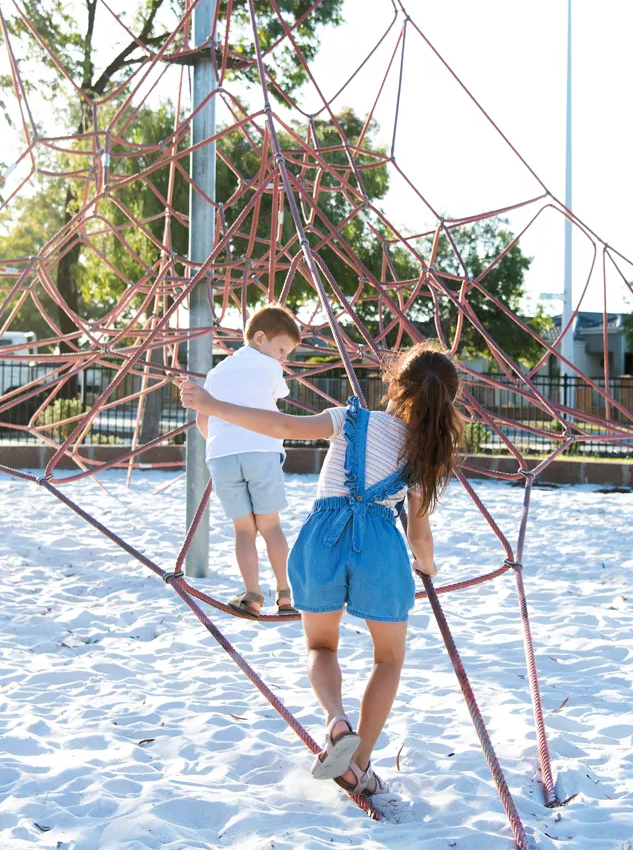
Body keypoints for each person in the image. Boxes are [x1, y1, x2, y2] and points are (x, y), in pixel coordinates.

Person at [179, 341, 462, 799]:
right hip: (380, 547)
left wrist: (214, 406)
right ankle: (360, 761)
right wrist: (426, 568)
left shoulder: (348, 420)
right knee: (389, 658)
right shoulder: (423, 451)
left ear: (394, 383)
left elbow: (281, 425)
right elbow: (420, 536)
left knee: (320, 646)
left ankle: (336, 721)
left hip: (322, 541)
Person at [197, 305, 303, 617]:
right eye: (281, 349)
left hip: (222, 456)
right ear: (259, 339)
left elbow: (203, 420)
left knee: (243, 529)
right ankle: (284, 594)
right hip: (261, 451)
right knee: (270, 526)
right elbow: (270, 403)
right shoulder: (270, 369)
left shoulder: (216, 372)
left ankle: (253, 594)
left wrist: (223, 443)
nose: (283, 359)